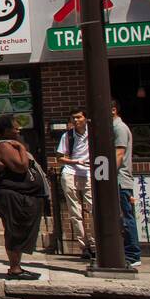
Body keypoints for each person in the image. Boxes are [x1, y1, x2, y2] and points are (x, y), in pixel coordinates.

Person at [0, 114, 47, 280]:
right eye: (15, 127)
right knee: (14, 231)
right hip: (11, 197)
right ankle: (15, 268)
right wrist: (22, 148)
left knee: (18, 230)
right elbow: (21, 167)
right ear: (6, 130)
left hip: (21, 196)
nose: (18, 129)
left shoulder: (10, 145)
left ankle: (17, 266)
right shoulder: (4, 147)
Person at [56, 108, 95, 260]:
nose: (76, 120)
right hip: (70, 172)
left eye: (79, 117)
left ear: (85, 118)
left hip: (88, 173)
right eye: (73, 118)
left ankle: (94, 244)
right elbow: (59, 157)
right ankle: (83, 247)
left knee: (93, 209)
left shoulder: (92, 133)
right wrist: (75, 161)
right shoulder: (68, 136)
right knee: (75, 211)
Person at [112, 100, 142, 268]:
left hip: (121, 179)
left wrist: (108, 176)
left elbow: (119, 153)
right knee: (123, 217)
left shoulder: (119, 128)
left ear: (114, 110)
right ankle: (128, 251)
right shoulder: (115, 127)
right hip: (119, 179)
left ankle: (132, 254)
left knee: (126, 217)